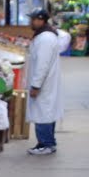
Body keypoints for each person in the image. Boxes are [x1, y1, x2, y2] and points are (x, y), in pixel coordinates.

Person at [26, 9, 64, 156]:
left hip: (44, 84)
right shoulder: (44, 36)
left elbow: (42, 65)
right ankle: (48, 142)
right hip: (46, 83)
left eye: (33, 19)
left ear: (41, 20)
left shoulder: (46, 38)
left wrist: (36, 85)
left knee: (43, 113)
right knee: (46, 112)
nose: (31, 22)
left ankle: (45, 144)